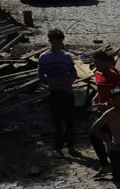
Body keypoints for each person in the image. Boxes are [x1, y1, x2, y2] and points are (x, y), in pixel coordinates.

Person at [37, 28, 78, 156]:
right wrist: (51, 82)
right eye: (55, 41)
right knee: (57, 122)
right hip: (54, 92)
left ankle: (71, 146)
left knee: (69, 121)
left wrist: (68, 83)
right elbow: (41, 75)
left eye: (59, 41)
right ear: (50, 41)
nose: (57, 44)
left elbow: (74, 74)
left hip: (67, 92)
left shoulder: (66, 57)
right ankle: (58, 148)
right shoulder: (44, 57)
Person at [89, 50, 120, 177]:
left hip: (112, 112)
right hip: (100, 111)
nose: (95, 65)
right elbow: (100, 90)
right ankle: (105, 164)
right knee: (94, 136)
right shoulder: (97, 74)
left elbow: (119, 95)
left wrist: (107, 104)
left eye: (97, 62)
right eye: (94, 62)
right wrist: (94, 99)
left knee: (113, 138)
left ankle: (118, 165)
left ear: (105, 63)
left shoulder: (114, 76)